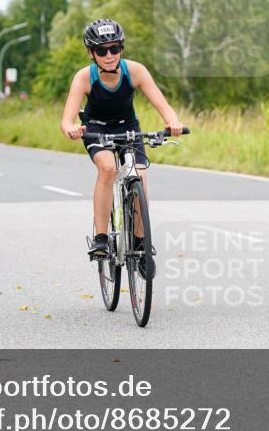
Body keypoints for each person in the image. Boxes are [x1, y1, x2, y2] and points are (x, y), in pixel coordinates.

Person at [60, 19, 183, 268]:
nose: (109, 55)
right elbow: (67, 119)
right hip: (96, 128)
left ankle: (140, 242)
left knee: (140, 174)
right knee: (107, 168)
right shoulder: (84, 77)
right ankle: (101, 238)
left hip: (128, 126)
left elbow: (161, 103)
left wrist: (173, 122)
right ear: (91, 53)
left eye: (114, 48)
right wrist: (72, 128)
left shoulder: (135, 71)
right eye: (102, 50)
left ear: (121, 49)